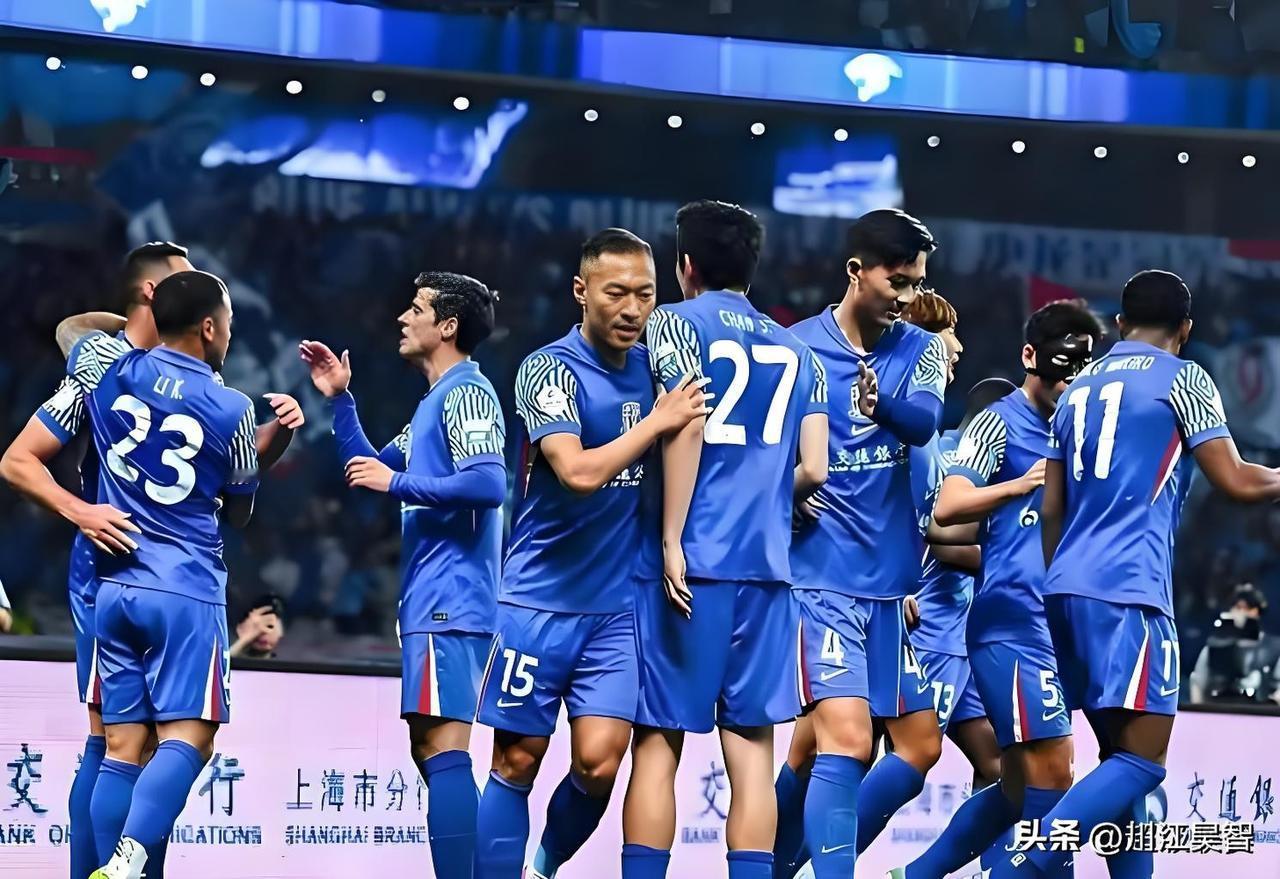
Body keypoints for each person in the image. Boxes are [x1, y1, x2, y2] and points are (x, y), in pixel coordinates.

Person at [0, 242, 300, 879]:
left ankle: (110, 868)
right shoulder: (231, 406)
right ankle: (126, 861)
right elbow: (238, 505)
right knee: (183, 738)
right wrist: (269, 441)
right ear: (209, 326)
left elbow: (74, 334)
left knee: (119, 746)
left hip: (113, 580)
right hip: (177, 582)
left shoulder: (103, 371)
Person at [990, 270, 1280, 878]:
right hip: (1130, 590)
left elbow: (1051, 507)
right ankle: (1023, 867)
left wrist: (1063, 579)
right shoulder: (1184, 378)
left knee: (1118, 761)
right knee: (1143, 764)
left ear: (1120, 324)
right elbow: (1237, 480)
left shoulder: (1077, 386)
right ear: (1186, 329)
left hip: (1064, 587)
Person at [472, 228, 709, 879]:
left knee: (599, 763)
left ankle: (541, 867)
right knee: (517, 758)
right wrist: (656, 422)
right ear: (581, 291)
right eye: (616, 293)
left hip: (616, 610)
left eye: (646, 294)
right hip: (537, 601)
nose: (633, 309)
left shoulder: (659, 371)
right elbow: (576, 471)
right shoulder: (548, 369)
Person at [622, 200, 827, 879]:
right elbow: (816, 468)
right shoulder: (798, 351)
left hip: (691, 568)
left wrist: (672, 537)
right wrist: (765, 495)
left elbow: (685, 423)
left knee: (658, 747)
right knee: (752, 759)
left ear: (685, 265)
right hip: (767, 571)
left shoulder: (674, 322)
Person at [299, 271, 506, 879]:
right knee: (432, 748)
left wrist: (398, 482)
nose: (403, 317)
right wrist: (340, 399)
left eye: (416, 308)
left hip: (452, 597)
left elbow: (488, 484)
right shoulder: (435, 403)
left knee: (443, 747)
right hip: (434, 598)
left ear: (448, 326)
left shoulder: (469, 394)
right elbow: (365, 469)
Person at [896, 300, 1103, 879]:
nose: (1070, 380)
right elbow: (948, 507)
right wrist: (1017, 486)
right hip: (1011, 625)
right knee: (1054, 774)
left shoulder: (1083, 432)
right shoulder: (999, 422)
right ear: (1030, 356)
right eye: (1061, 365)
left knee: (1013, 782)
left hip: (1059, 627)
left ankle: (914, 875)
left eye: (1081, 368)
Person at [778, 209, 947, 879]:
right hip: (820, 580)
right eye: (897, 281)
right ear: (856, 272)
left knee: (917, 744)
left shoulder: (920, 348)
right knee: (846, 741)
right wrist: (786, 492)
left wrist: (882, 409)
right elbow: (758, 454)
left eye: (917, 283)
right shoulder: (795, 349)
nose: (908, 296)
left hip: (889, 590)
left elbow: (925, 421)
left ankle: (770, 865)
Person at [900, 295, 1006, 857]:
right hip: (930, 629)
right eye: (950, 337)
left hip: (961, 633)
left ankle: (981, 868)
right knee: (898, 758)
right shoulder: (945, 453)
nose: (959, 348)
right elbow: (940, 538)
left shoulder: (939, 442)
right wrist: (1012, 562)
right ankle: (815, 861)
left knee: (999, 763)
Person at [1188, 585, 1279, 704]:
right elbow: (1198, 683)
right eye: (1238, 607)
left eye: (1248, 608)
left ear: (1257, 611)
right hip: (1219, 709)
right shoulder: (1214, 647)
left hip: (1260, 711)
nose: (1242, 613)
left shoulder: (1274, 647)